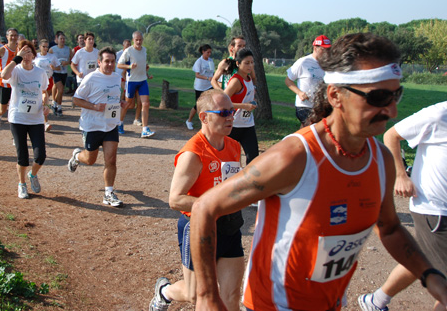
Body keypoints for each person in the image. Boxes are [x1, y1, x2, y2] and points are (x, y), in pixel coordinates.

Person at [188, 33, 447, 311]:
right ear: (336, 95)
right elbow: (204, 208)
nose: (392, 110)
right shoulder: (295, 156)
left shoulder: (381, 159)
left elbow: (392, 229)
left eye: (396, 94)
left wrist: (431, 277)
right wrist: (206, 297)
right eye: (379, 97)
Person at [149, 89, 244, 311]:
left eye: (232, 111)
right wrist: (212, 205)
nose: (230, 117)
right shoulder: (193, 153)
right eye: (223, 112)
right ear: (204, 117)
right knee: (194, 295)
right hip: (199, 227)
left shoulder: (234, 147)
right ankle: (164, 292)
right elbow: (175, 199)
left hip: (229, 226)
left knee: (230, 295)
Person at [358, 101, 447, 311]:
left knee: (424, 259)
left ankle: (376, 301)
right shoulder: (439, 114)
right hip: (435, 209)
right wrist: (400, 175)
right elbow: (391, 135)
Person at [67, 47, 128, 207]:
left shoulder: (117, 78)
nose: (110, 64)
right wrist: (94, 107)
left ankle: (108, 193)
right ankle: (77, 156)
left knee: (111, 160)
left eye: (112, 61)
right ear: (99, 62)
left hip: (110, 125)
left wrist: (120, 103)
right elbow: (76, 99)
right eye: (106, 61)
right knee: (90, 160)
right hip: (92, 125)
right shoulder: (91, 78)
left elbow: (115, 96)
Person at [0, 39, 50, 199]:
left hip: (35, 118)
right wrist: (16, 59)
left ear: (34, 55)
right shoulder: (16, 71)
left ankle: (32, 175)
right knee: (22, 156)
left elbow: (44, 91)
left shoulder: (40, 72)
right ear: (19, 54)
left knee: (40, 155)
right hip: (18, 118)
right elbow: (3, 75)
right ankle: (21, 185)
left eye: (29, 52)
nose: (26, 56)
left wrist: (45, 104)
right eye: (23, 52)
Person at [285, 34, 331, 127]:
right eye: (323, 49)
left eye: (328, 49)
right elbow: (288, 80)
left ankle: (298, 140)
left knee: (315, 132)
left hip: (321, 106)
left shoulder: (328, 64)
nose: (326, 52)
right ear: (315, 48)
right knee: (312, 130)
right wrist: (299, 93)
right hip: (305, 106)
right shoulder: (303, 62)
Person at [223, 48, 259, 164]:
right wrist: (244, 106)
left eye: (252, 62)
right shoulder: (236, 81)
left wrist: (252, 101)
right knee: (231, 160)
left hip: (248, 124)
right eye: (247, 63)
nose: (250, 66)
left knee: (253, 157)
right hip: (233, 125)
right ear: (238, 63)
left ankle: (248, 181)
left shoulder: (249, 78)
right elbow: (223, 101)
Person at [117, 31, 155, 138]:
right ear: (133, 40)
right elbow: (119, 65)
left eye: (140, 40)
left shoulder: (144, 50)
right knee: (128, 104)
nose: (138, 42)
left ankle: (145, 129)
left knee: (146, 103)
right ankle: (119, 123)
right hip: (131, 81)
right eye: (136, 40)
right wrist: (129, 67)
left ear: (142, 40)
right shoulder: (129, 51)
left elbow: (142, 64)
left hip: (142, 80)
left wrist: (145, 69)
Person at [186, 44, 215, 130]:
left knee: (211, 103)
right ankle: (189, 120)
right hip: (200, 86)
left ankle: (209, 122)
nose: (209, 54)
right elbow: (197, 75)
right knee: (198, 105)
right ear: (203, 52)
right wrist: (207, 78)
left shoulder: (211, 60)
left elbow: (212, 72)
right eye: (207, 52)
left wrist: (213, 79)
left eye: (210, 52)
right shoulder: (199, 61)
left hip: (209, 85)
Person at [34, 39, 60, 131]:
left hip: (48, 81)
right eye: (43, 46)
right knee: (39, 100)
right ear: (40, 47)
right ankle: (40, 119)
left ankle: (45, 122)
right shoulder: (35, 56)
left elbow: (59, 67)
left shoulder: (52, 57)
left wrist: (54, 67)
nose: (45, 48)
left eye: (47, 47)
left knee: (45, 100)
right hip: (36, 81)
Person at [49, 31, 71, 117]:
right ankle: (59, 107)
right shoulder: (52, 49)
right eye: (61, 39)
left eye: (64, 39)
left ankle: (54, 104)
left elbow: (71, 60)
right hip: (55, 72)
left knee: (59, 89)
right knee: (61, 90)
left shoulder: (68, 49)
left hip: (64, 72)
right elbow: (49, 59)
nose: (62, 40)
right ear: (57, 40)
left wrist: (67, 62)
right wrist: (53, 66)